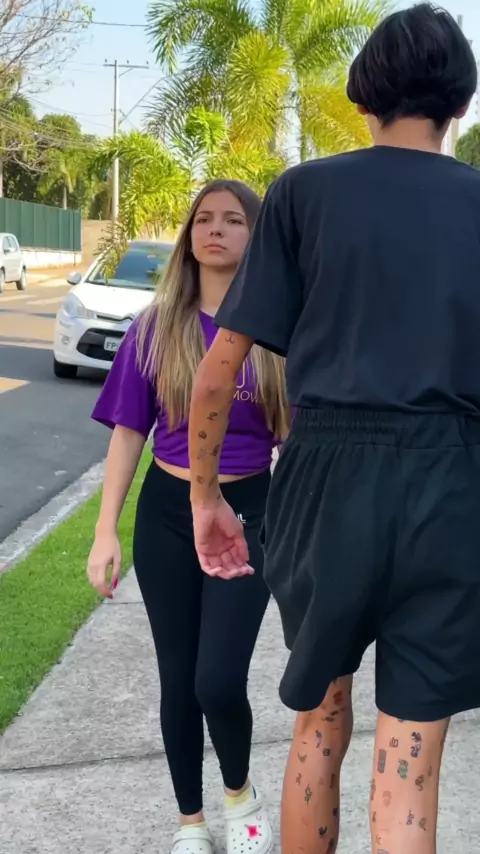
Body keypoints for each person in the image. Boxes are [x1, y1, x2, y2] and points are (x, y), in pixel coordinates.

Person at [187, 5, 480, 854]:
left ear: (362, 97)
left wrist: (206, 497)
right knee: (411, 760)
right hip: (453, 479)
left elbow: (220, 367)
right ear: (461, 102)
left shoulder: (304, 193)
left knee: (320, 721)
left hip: (327, 476)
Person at [86, 178, 289, 854]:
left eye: (234, 220)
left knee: (218, 679)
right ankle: (191, 823)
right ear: (189, 237)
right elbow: (128, 434)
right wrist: (105, 531)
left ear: (257, 238)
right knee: (178, 680)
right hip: (168, 514)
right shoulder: (156, 328)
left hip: (249, 515)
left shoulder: (280, 335)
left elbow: (298, 439)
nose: (216, 230)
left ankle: (239, 795)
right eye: (204, 219)